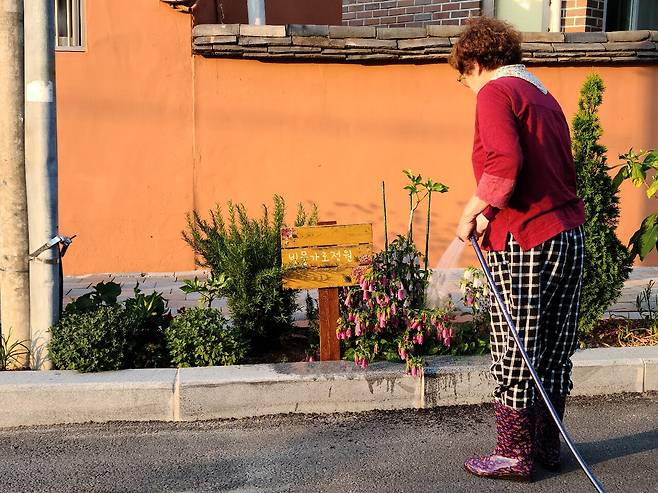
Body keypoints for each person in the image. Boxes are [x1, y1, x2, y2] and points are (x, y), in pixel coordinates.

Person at [449, 17, 586, 482]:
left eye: (462, 75)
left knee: (516, 347)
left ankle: (513, 454)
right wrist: (490, 213)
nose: (464, 85)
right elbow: (536, 174)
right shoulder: (541, 94)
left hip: (528, 243)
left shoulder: (495, 92)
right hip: (567, 234)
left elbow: (504, 163)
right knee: (552, 348)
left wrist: (470, 211)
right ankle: (548, 447)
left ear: (476, 62)